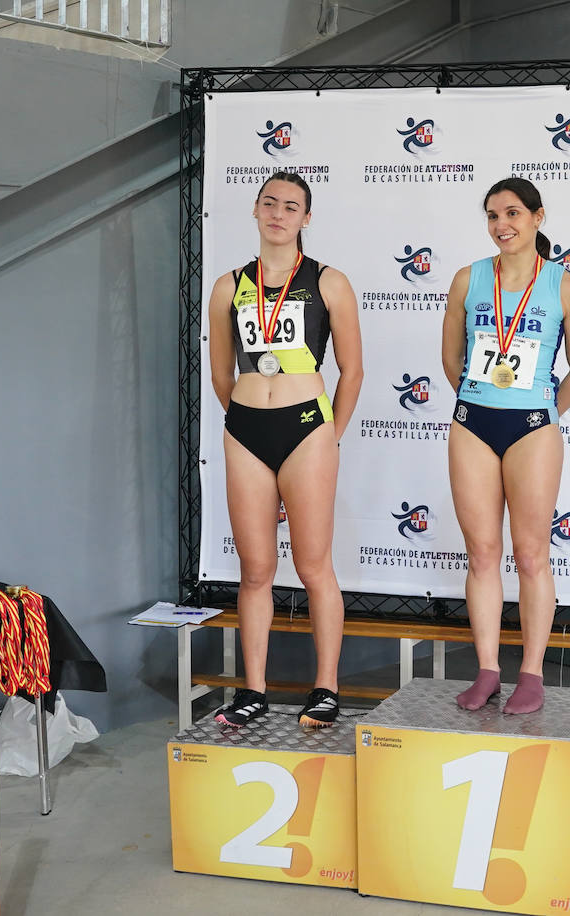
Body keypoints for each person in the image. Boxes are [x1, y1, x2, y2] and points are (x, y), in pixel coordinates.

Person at [205, 170, 363, 728]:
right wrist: (245, 411)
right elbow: (221, 371)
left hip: (308, 429)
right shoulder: (228, 286)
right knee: (256, 569)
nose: (278, 213)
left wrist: (331, 434)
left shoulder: (328, 282)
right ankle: (253, 689)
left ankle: (326, 687)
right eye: (269, 203)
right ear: (254, 209)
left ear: (306, 218)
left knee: (314, 564)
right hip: (247, 429)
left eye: (291, 206)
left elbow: (352, 370)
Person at [441, 177, 570, 714]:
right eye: (491, 215)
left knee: (531, 554)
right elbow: (451, 360)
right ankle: (486, 669)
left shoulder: (563, 286)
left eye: (511, 213)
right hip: (473, 423)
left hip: (533, 427)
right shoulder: (468, 278)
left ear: (537, 217)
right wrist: (479, 397)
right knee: (482, 553)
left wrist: (548, 410)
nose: (501, 225)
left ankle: (530, 674)